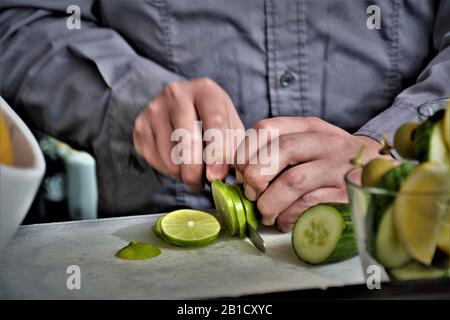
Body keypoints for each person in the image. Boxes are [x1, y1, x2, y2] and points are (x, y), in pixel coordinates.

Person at [1, 0, 449, 231]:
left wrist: (391, 145)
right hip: (163, 248)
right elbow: (20, 18)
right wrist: (126, 97)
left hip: (404, 223)